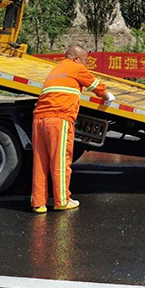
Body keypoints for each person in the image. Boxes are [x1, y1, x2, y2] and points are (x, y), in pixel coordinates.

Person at [31, 45, 114, 213]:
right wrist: (107, 96)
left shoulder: (56, 69)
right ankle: (62, 200)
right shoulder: (75, 67)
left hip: (39, 119)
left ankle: (38, 203)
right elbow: (95, 85)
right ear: (77, 59)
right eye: (84, 61)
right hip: (59, 119)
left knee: (40, 162)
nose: (85, 65)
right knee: (60, 161)